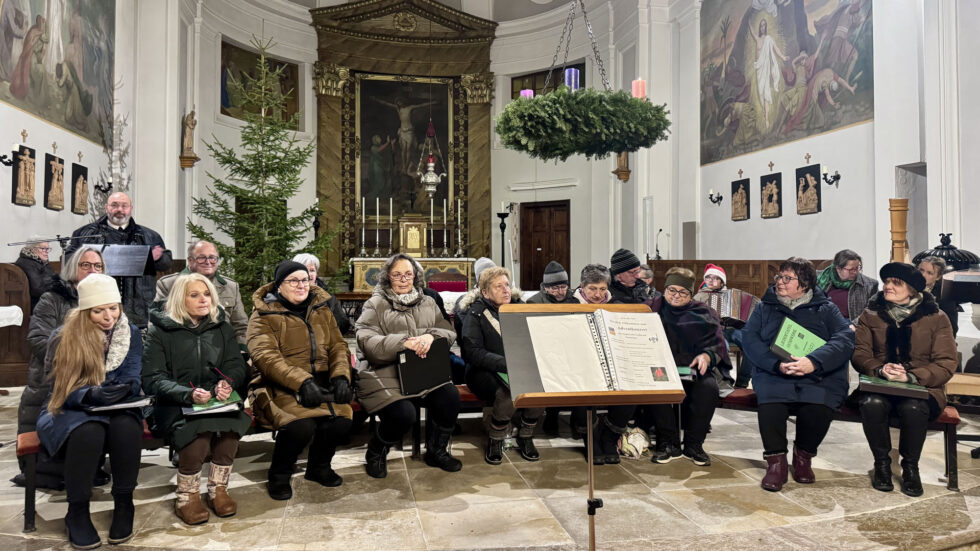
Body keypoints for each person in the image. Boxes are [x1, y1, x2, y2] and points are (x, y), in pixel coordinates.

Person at [36, 274, 145, 548]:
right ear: (85, 311)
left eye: (113, 308)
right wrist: (89, 394)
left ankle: (124, 503)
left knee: (127, 426)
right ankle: (77, 512)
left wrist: (128, 387)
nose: (109, 317)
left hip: (116, 404)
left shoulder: (129, 332)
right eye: (99, 311)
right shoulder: (64, 336)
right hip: (70, 405)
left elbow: (134, 372)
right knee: (89, 431)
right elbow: (58, 387)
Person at [143, 273, 252, 524]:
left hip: (215, 400)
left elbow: (235, 363)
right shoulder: (161, 330)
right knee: (198, 438)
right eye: (194, 295)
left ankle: (218, 490)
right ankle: (187, 495)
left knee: (229, 432)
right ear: (181, 299)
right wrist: (187, 394)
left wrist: (228, 382)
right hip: (174, 402)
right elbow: (151, 378)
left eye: (206, 294)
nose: (203, 300)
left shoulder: (221, 327)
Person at [741, 257, 854, 492]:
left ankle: (803, 456)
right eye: (779, 277)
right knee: (771, 402)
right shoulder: (765, 306)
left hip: (816, 373)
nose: (779, 282)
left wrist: (813, 362)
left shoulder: (825, 307)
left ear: (804, 283)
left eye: (787, 278)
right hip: (775, 371)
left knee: (818, 405)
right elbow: (750, 339)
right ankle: (776, 462)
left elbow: (844, 339)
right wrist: (775, 365)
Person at [247, 260, 354, 500]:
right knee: (300, 425)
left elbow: (338, 345)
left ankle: (319, 467)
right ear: (279, 286)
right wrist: (302, 382)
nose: (301, 285)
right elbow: (266, 357)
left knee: (341, 419)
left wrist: (340, 376)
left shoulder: (322, 309)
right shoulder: (263, 314)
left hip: (323, 380)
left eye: (304, 280)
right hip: (278, 384)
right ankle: (279, 474)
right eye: (293, 280)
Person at [852, 263, 957, 497]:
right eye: (886, 282)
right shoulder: (870, 315)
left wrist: (910, 376)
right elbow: (860, 354)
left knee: (913, 407)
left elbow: (946, 362)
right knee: (872, 403)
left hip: (922, 386)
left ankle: (910, 467)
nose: (888, 286)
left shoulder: (937, 318)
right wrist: (880, 370)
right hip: (880, 383)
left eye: (895, 283)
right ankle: (882, 464)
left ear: (911, 289)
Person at [355, 253, 461, 478]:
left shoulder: (428, 301)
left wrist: (431, 337)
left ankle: (436, 451)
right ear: (387, 278)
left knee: (449, 396)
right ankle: (376, 451)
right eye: (397, 275)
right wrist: (404, 343)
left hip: (421, 369)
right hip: (384, 371)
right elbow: (367, 342)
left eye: (408, 275)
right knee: (404, 413)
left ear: (416, 277)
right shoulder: (375, 304)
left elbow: (449, 332)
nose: (403, 280)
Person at [16, 245, 105, 490]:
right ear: (72, 268)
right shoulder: (52, 298)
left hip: (91, 379)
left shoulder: (105, 300)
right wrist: (75, 360)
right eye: (85, 265)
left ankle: (87, 466)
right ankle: (47, 470)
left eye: (97, 266)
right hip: (51, 378)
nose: (92, 270)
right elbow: (37, 339)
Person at [646, 268, 733, 466]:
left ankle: (694, 444)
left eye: (682, 292)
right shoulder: (652, 308)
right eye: (671, 291)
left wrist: (706, 356)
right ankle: (667, 443)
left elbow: (717, 345)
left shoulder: (704, 313)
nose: (676, 296)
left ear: (691, 294)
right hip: (660, 367)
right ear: (665, 290)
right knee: (658, 386)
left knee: (709, 388)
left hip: (692, 368)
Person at [461, 266, 544, 464]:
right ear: (485, 292)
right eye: (498, 287)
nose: (506, 290)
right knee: (507, 391)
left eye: (507, 285)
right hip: (484, 371)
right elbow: (472, 353)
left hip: (518, 366)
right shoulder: (476, 313)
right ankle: (496, 438)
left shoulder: (519, 308)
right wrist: (507, 363)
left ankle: (526, 435)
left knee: (541, 385)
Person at [67, 192, 173, 328]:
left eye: (124, 206)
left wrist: (157, 258)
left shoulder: (149, 236)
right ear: (106, 208)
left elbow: (167, 264)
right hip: (98, 308)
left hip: (139, 308)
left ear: (131, 208)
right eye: (114, 205)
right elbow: (68, 261)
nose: (120, 210)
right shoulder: (84, 234)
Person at [155, 240, 249, 349]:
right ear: (190, 261)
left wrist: (241, 350)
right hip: (181, 350)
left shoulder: (231, 286)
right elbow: (158, 322)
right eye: (201, 258)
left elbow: (241, 326)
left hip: (223, 350)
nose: (208, 262)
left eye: (212, 257)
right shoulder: (168, 284)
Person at [694, 264, 760, 388]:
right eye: (708, 277)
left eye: (715, 278)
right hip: (714, 331)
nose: (711, 281)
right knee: (722, 346)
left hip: (733, 329)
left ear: (722, 282)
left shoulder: (731, 295)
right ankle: (725, 380)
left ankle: (742, 381)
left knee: (753, 345)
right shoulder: (699, 296)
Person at [292, 252, 352, 335]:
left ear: (316, 273)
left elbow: (342, 323)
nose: (309, 274)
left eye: (312, 270)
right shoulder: (288, 293)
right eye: (304, 270)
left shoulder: (326, 295)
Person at [816, 249, 878, 325]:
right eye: (851, 269)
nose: (855, 272)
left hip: (850, 324)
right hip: (823, 322)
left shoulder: (870, 285)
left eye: (857, 268)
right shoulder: (820, 278)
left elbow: (873, 310)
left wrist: (855, 324)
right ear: (838, 269)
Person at [917, 256, 960, 336]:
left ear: (938, 277)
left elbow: (952, 327)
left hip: (934, 336)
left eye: (929, 273)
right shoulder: (908, 287)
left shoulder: (945, 294)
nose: (923, 275)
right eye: (921, 270)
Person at [14, 238, 56, 311]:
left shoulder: (41, 261)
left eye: (48, 249)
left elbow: (52, 278)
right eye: (43, 249)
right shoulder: (27, 263)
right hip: (35, 303)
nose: (47, 252)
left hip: (45, 299)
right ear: (32, 249)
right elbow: (37, 289)